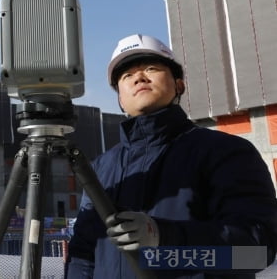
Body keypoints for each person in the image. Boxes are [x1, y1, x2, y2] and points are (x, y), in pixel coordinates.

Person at [66, 34, 277, 279]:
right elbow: (82, 255)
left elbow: (256, 253)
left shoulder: (226, 152)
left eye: (151, 68)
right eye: (126, 76)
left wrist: (164, 238)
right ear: (120, 100)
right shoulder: (100, 168)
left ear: (179, 85)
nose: (139, 77)